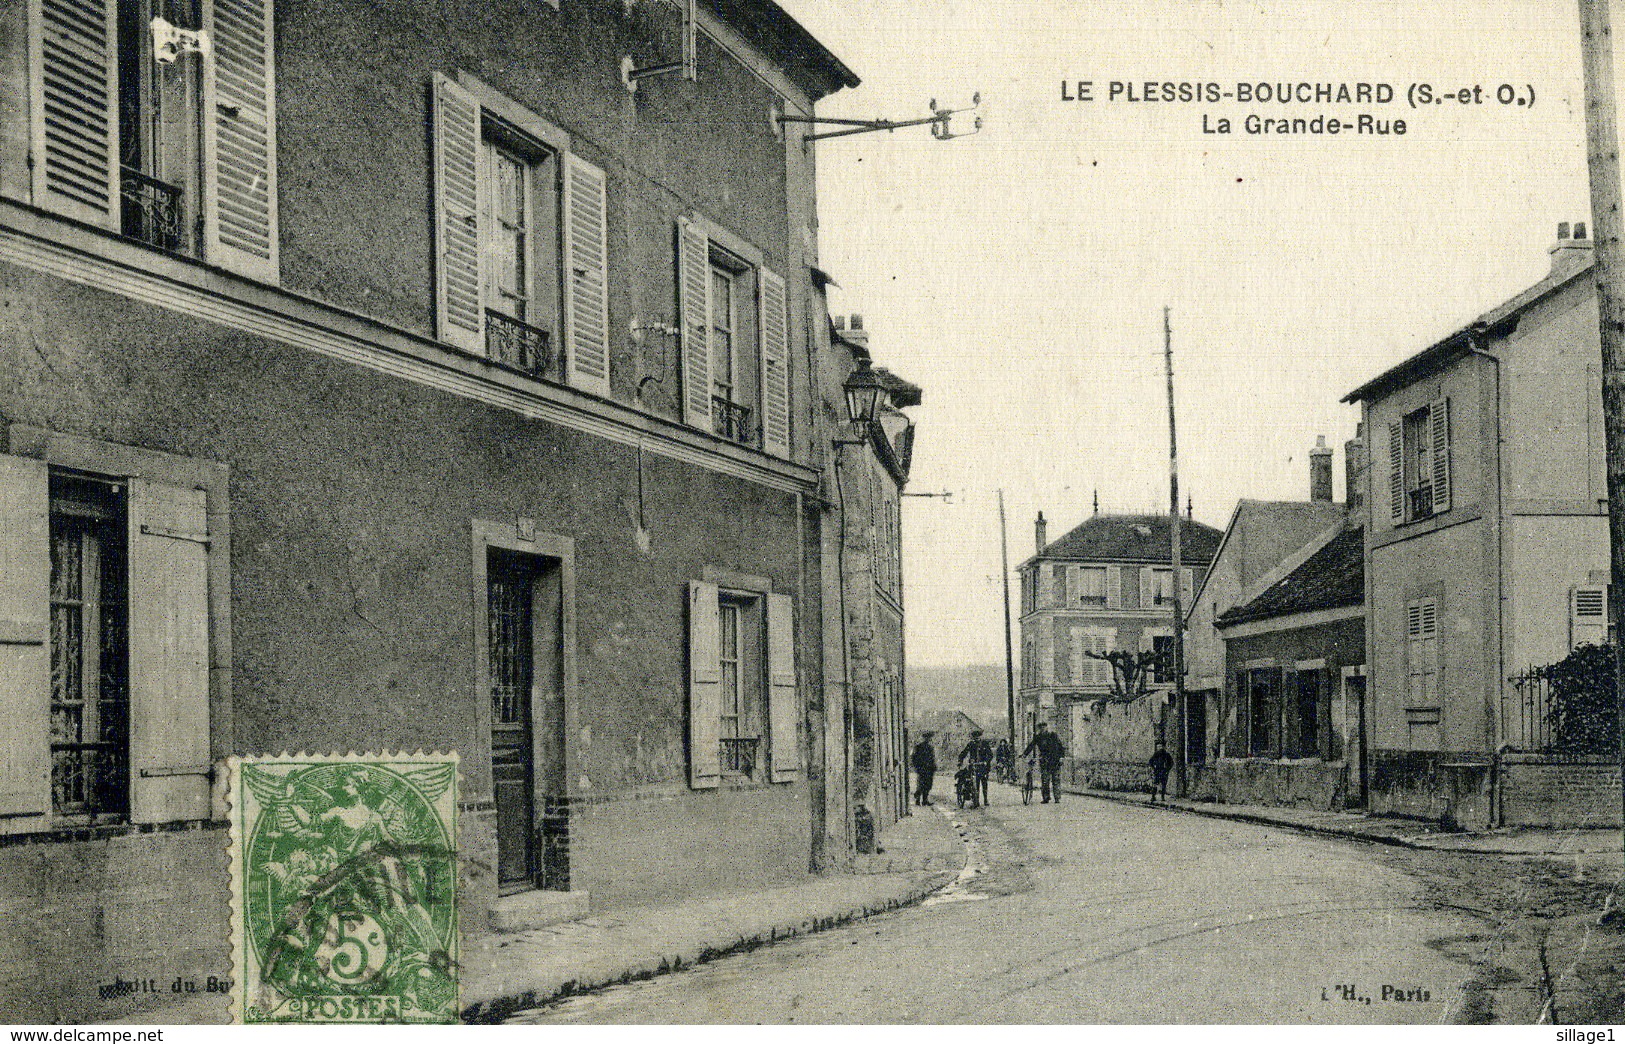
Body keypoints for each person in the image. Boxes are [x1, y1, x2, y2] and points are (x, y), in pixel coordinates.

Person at [1021, 723, 1067, 803]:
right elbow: (1031, 745)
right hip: (1045, 761)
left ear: (1047, 728)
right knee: (1045, 780)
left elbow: (1061, 746)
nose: (1043, 729)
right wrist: (1024, 754)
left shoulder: (1053, 735)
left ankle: (1057, 797)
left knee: (1056, 779)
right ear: (1039, 729)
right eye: (1041, 728)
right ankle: (1046, 798)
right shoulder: (1038, 737)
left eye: (1044, 727)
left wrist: (1062, 757)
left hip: (1055, 761)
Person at [958, 730, 994, 808]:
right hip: (974, 766)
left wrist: (986, 761)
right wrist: (960, 761)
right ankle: (976, 800)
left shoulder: (985, 744)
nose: (977, 738)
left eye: (978, 737)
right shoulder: (971, 744)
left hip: (983, 767)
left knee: (984, 783)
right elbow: (964, 753)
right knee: (975, 783)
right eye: (975, 737)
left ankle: (985, 799)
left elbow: (990, 754)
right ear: (973, 738)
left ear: (980, 737)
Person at [910, 732, 938, 806]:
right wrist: (916, 766)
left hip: (929, 769)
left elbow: (932, 758)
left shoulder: (930, 747)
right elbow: (913, 757)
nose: (928, 739)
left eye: (929, 738)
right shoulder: (918, 747)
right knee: (921, 784)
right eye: (927, 738)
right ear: (924, 738)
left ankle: (925, 800)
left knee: (928, 785)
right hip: (922, 768)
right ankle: (918, 799)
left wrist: (934, 766)